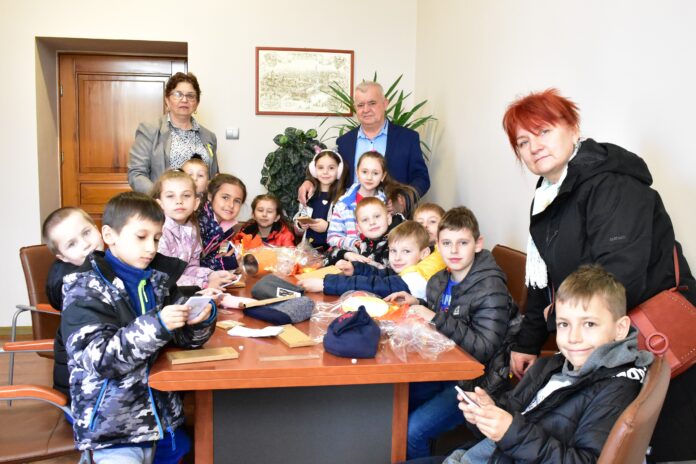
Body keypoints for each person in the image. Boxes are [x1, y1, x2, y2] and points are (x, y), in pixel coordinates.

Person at [503, 88, 696, 461]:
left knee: (653, 445)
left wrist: (561, 316)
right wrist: (528, 341)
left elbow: (620, 275)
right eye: (523, 142)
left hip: (651, 339)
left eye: (543, 131)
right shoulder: (548, 195)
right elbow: (542, 279)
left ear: (574, 129)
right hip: (605, 342)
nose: (534, 147)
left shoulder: (613, 184)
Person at [421, 265, 653, 464]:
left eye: (589, 324)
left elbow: (586, 460)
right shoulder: (552, 366)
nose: (573, 338)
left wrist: (510, 432)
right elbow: (514, 414)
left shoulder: (616, 388)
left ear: (620, 328)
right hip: (479, 454)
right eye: (564, 324)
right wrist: (489, 412)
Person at [60, 192, 217, 463]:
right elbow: (101, 359)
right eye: (141, 237)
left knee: (196, 447)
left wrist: (200, 320)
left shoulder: (158, 280)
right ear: (109, 235)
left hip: (162, 422)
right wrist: (159, 324)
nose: (151, 248)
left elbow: (186, 340)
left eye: (156, 238)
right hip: (113, 430)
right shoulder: (84, 288)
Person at [386, 207, 516, 459]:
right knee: (392, 402)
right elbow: (451, 313)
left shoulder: (491, 287)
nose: (454, 251)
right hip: (443, 370)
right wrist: (419, 304)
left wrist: (434, 317)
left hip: (478, 385)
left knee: (412, 431)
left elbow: (483, 349)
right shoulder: (438, 281)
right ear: (438, 246)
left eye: (462, 243)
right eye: (446, 243)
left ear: (478, 244)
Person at [298, 81, 430, 203]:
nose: (366, 110)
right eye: (360, 105)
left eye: (372, 103)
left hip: (394, 216)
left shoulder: (408, 138)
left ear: (385, 104)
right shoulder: (344, 142)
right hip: (350, 215)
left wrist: (403, 201)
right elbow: (330, 171)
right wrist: (310, 182)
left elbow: (421, 178)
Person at [42, 207, 104, 400]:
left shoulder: (104, 265)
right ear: (62, 257)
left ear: (97, 229)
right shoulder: (75, 286)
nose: (85, 244)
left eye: (87, 232)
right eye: (71, 244)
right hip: (83, 394)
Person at [128, 72, 218, 194]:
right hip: (161, 203)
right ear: (167, 100)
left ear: (197, 103)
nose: (184, 99)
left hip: (201, 204)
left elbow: (214, 177)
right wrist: (160, 197)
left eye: (190, 96)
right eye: (178, 94)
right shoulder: (149, 130)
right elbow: (136, 174)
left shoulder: (209, 136)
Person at [300, 221, 432, 299]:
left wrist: (325, 284)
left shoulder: (416, 279)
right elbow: (383, 274)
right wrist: (355, 268)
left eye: (406, 251)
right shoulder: (410, 268)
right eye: (393, 250)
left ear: (424, 253)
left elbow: (375, 286)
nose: (397, 257)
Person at [151, 170, 234, 289]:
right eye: (170, 196)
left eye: (186, 195)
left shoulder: (192, 230)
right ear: (160, 204)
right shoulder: (159, 233)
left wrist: (211, 275)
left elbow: (189, 268)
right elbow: (165, 277)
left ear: (196, 203)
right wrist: (204, 284)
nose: (179, 201)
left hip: (184, 291)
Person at [326, 151, 389, 251]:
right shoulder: (343, 204)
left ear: (383, 176)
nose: (369, 177)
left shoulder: (387, 204)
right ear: (357, 172)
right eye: (364, 172)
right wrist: (354, 243)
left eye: (375, 173)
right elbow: (332, 238)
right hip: (349, 255)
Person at [325, 197, 403, 267]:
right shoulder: (362, 245)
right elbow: (328, 255)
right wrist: (346, 254)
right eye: (365, 220)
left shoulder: (401, 240)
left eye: (377, 216)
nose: (372, 222)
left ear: (388, 219)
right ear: (359, 228)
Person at [293, 149, 347, 250]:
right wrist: (300, 224)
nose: (325, 172)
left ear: (339, 171)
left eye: (331, 168)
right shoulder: (308, 195)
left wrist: (328, 227)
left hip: (333, 251)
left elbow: (348, 227)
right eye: (320, 167)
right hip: (308, 250)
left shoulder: (344, 198)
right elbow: (299, 221)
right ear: (314, 170)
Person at [199, 173, 247, 271]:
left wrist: (233, 258)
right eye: (225, 197)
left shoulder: (227, 228)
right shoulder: (198, 223)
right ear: (210, 196)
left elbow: (214, 256)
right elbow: (192, 265)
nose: (231, 205)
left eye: (237, 201)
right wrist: (228, 263)